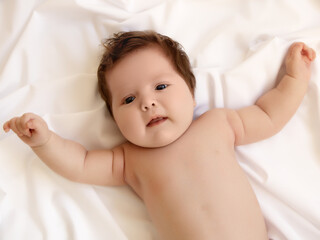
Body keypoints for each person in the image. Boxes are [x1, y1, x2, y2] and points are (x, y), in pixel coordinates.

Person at [3, 31, 316, 240]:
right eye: (128, 99)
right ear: (114, 120)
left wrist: (294, 76)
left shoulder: (218, 124)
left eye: (161, 87)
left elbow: (269, 115)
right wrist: (44, 141)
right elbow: (80, 163)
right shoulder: (129, 160)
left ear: (192, 93)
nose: (147, 102)